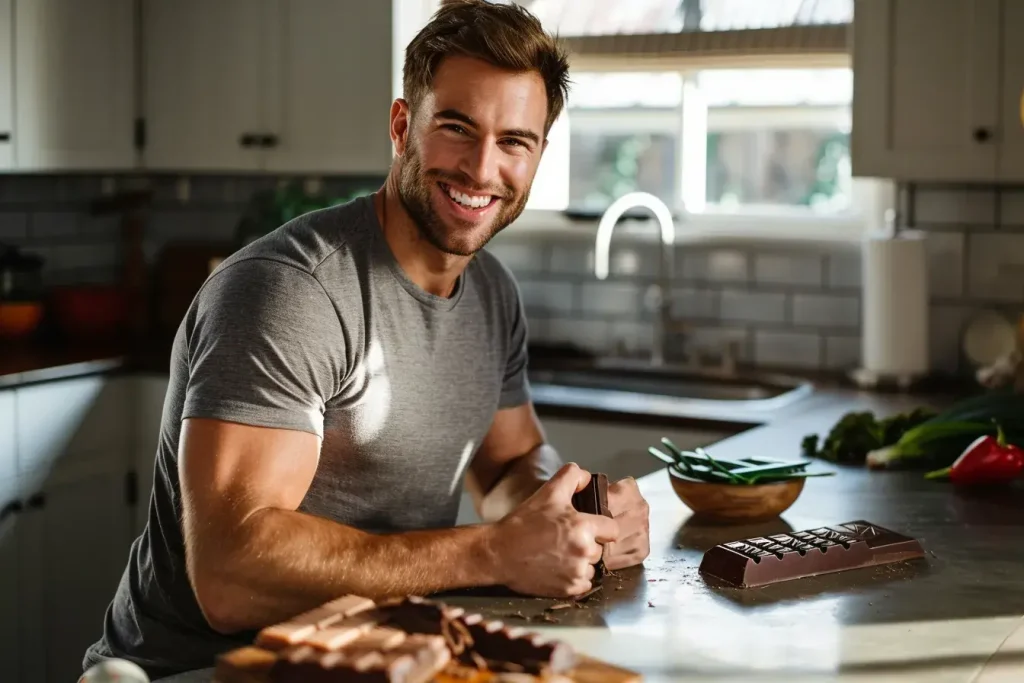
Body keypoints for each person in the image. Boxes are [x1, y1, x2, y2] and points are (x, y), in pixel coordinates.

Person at [83, 1, 651, 680]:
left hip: (373, 659)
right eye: (456, 127)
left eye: (513, 141)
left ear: (537, 156)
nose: (480, 167)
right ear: (402, 124)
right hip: (193, 671)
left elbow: (508, 464)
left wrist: (578, 509)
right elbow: (230, 573)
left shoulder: (492, 294)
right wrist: (491, 552)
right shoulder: (290, 291)